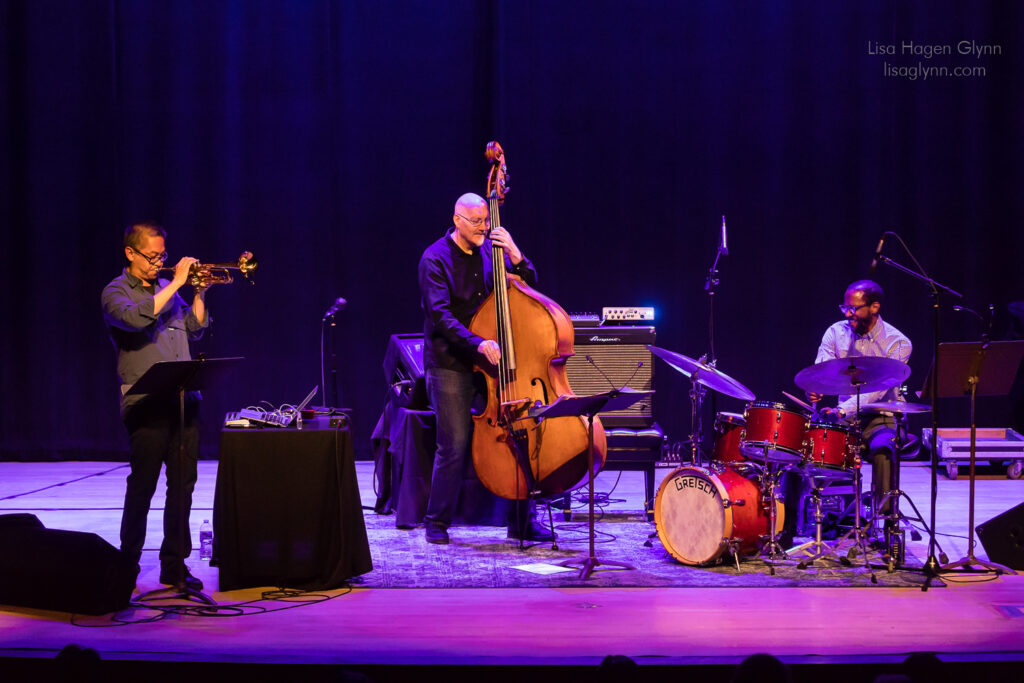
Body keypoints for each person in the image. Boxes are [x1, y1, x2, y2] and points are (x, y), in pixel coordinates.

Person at [418, 192, 554, 545]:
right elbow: (441, 318)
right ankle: (436, 521)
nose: (484, 228)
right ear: (457, 219)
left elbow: (528, 288)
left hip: (492, 363)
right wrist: (478, 342)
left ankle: (522, 521)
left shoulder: (490, 255)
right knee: (454, 444)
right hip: (451, 363)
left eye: (486, 221)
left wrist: (515, 254)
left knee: (519, 432)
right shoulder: (434, 259)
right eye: (476, 222)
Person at [101, 222, 210, 588]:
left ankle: (173, 565)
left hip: (183, 402)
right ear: (130, 253)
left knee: (183, 487)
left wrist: (199, 293)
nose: (159, 263)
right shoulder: (115, 292)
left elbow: (194, 328)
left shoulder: (167, 289)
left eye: (163, 255)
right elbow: (134, 320)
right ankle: (126, 566)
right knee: (143, 486)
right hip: (146, 403)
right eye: (152, 256)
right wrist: (178, 283)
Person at [809, 279, 912, 524]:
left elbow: (878, 389)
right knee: (802, 443)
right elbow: (820, 370)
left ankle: (886, 523)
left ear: (874, 307)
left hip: (881, 417)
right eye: (844, 307)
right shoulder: (836, 332)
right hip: (843, 418)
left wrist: (841, 411)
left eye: (854, 308)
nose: (847, 313)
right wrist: (814, 389)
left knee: (883, 450)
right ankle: (793, 524)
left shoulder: (899, 343)